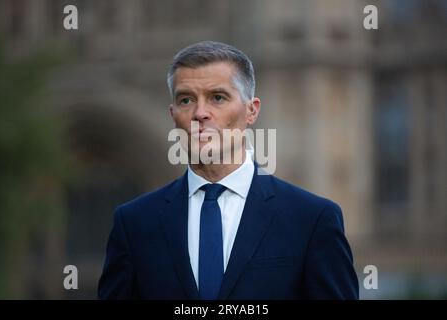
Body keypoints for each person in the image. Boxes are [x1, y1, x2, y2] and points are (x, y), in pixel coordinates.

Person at [98, 41, 359, 300]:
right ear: (173, 113)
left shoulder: (312, 220)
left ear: (251, 110)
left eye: (218, 98)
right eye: (186, 99)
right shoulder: (133, 223)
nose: (200, 113)